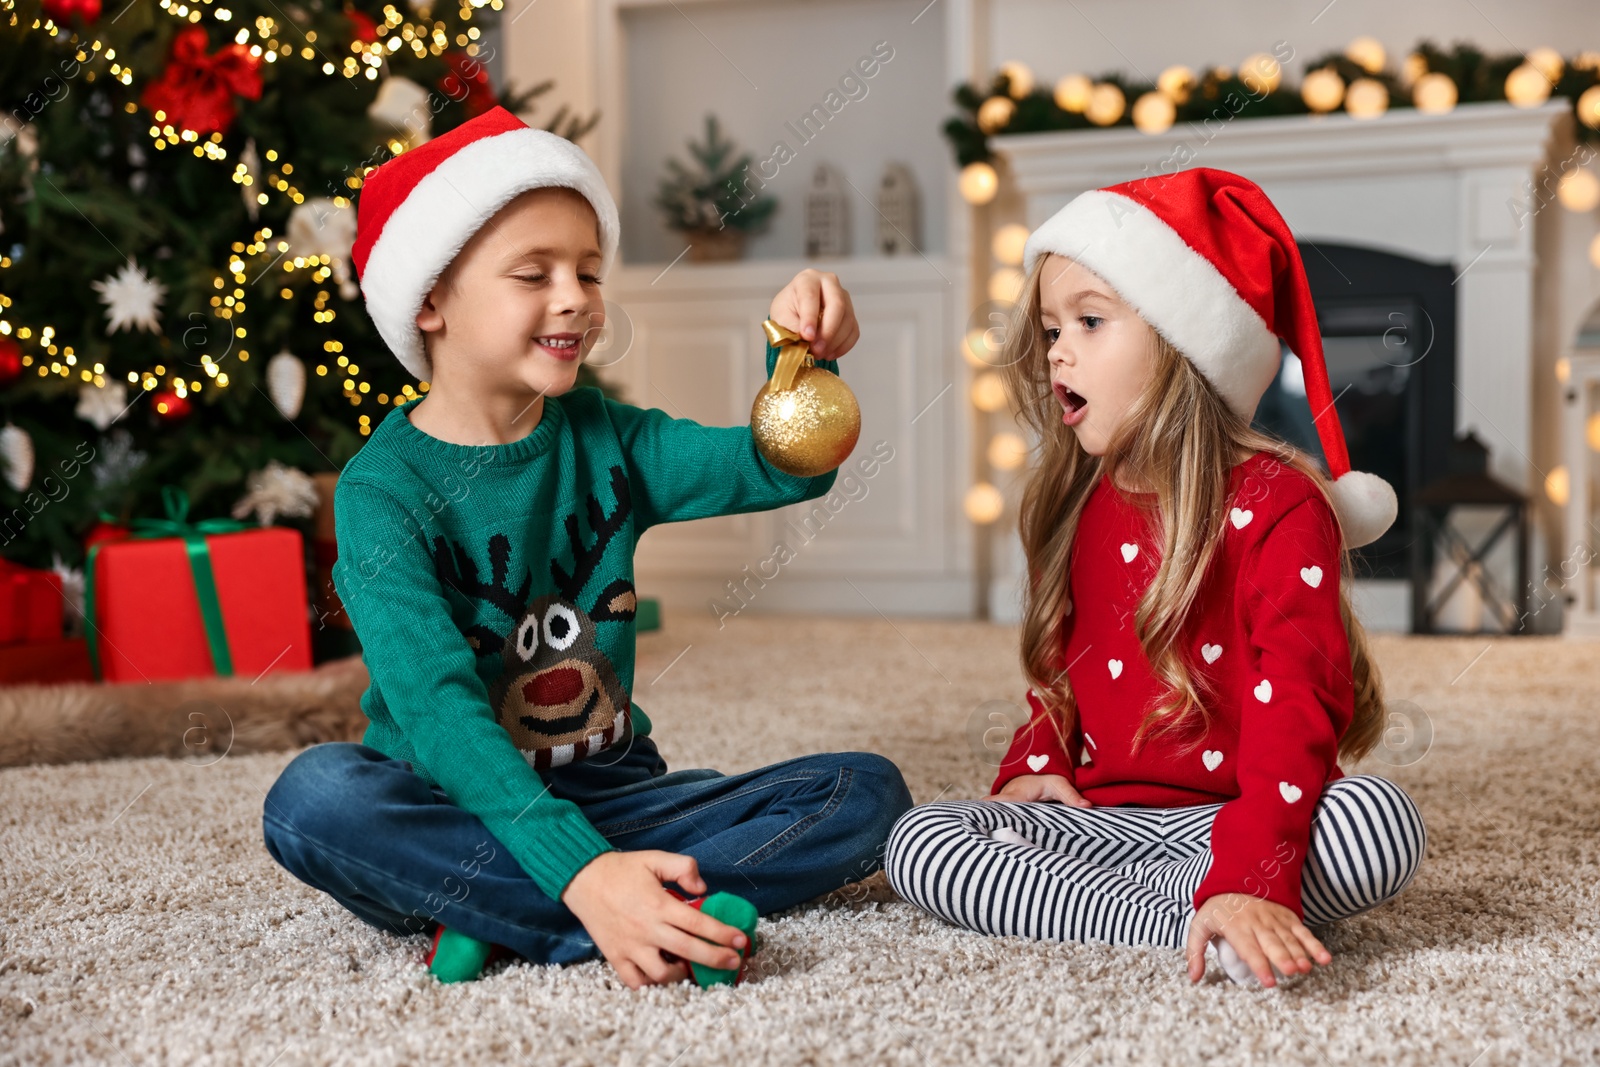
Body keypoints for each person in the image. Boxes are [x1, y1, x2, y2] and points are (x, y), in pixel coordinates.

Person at [261, 106, 912, 990]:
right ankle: (610, 907)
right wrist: (581, 870)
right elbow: (441, 713)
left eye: (588, 272)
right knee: (316, 800)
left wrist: (800, 363)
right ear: (429, 303)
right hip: (456, 804)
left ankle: (518, 913)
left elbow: (774, 469)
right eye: (533, 273)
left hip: (618, 795)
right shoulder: (382, 494)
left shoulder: (604, 436)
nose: (575, 297)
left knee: (864, 795)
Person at [884, 168, 1425, 988]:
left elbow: (1298, 703)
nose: (1057, 349)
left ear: (1182, 342)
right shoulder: (1075, 502)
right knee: (919, 842)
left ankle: (1226, 898)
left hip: (1246, 815)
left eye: (1090, 320)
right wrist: (1036, 761)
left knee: (1378, 824)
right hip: (1102, 824)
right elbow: (1058, 682)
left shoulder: (1281, 505)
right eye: (1050, 328)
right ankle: (1185, 915)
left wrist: (1251, 866)